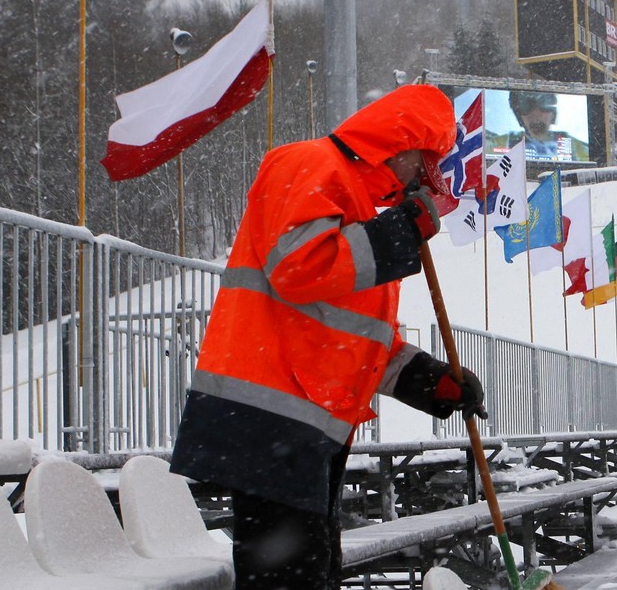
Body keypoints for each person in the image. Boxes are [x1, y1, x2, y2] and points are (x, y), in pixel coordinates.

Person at [169, 84, 488, 590]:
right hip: (269, 413)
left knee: (312, 571)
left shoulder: (360, 207)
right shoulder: (311, 163)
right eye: (423, 167)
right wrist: (401, 232)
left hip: (302, 420)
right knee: (291, 577)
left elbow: (348, 339)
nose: (420, 183)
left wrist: (428, 380)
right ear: (401, 146)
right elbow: (299, 267)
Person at [489, 90, 589, 162]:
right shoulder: (497, 145)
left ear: (553, 113)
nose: (536, 115)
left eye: (543, 106)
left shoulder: (579, 149)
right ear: (520, 116)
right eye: (527, 107)